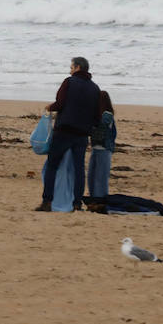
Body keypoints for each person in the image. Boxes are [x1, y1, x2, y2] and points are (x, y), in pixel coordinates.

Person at [36, 56, 102, 212]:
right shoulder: (95, 88)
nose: (70, 70)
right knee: (79, 168)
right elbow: (97, 117)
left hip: (64, 131)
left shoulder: (69, 82)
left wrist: (49, 107)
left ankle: (47, 201)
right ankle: (77, 203)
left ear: (78, 67)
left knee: (52, 165)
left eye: (71, 67)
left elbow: (60, 103)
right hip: (82, 134)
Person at [86, 91, 116, 211]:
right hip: (96, 148)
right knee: (92, 175)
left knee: (101, 176)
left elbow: (100, 125)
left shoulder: (107, 115)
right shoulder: (99, 114)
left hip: (104, 148)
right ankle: (94, 198)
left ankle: (100, 200)